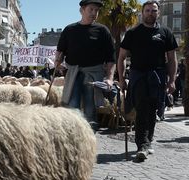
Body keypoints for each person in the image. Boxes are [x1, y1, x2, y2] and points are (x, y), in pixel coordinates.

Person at [117, 0, 178, 161]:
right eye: (148, 10)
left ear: (158, 13)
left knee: (153, 111)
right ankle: (142, 145)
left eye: (154, 11)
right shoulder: (133, 33)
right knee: (142, 110)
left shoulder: (165, 32)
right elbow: (122, 57)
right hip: (138, 77)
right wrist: (121, 78)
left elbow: (172, 59)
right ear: (142, 13)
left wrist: (172, 80)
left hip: (157, 77)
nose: (151, 13)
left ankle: (148, 141)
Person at [55, 0, 115, 131]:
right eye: (91, 9)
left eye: (97, 10)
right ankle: (72, 136)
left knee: (90, 107)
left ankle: (90, 137)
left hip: (94, 74)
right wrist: (57, 63)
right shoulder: (70, 30)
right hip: (73, 72)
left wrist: (110, 78)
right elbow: (60, 51)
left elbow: (111, 58)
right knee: (72, 105)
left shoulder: (102, 31)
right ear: (82, 10)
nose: (94, 13)